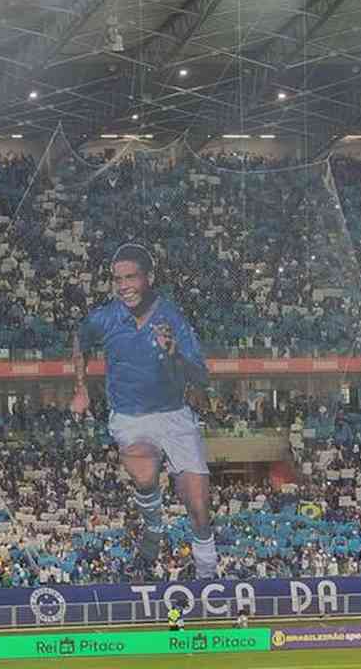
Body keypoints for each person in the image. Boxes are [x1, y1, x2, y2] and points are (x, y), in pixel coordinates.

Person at [72, 243, 214, 579]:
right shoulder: (105, 317)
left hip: (175, 416)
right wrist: (81, 388)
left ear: (149, 278)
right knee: (146, 474)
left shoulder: (172, 319)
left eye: (131, 277)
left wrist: (176, 353)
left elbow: (201, 375)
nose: (123, 286)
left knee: (199, 508)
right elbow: (81, 340)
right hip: (130, 418)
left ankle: (208, 574)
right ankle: (153, 527)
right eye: (117, 279)